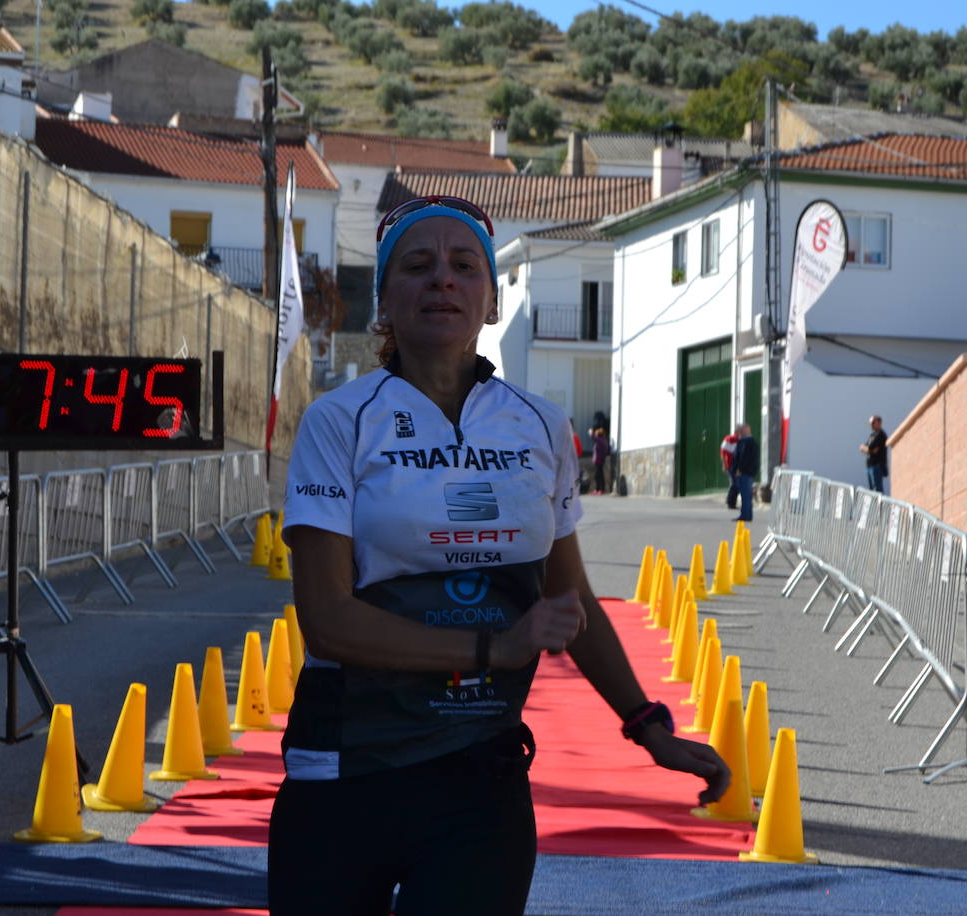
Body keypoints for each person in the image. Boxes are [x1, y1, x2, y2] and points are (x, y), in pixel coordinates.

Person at [271, 195, 728, 915]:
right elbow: (326, 621)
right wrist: (493, 647)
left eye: (464, 266)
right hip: (347, 769)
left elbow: (568, 602)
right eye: (417, 266)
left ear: (489, 298)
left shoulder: (542, 426)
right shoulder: (339, 420)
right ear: (386, 299)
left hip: (480, 777)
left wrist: (646, 725)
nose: (442, 280)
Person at [731, 424, 759, 522]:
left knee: (746, 494)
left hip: (745, 472)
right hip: (747, 471)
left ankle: (745, 515)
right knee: (745, 494)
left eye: (742, 431)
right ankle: (746, 514)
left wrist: (740, 469)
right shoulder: (746, 441)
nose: (740, 432)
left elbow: (744, 458)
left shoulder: (747, 442)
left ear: (746, 431)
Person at [860, 414, 888, 494]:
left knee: (877, 490)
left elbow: (869, 448)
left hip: (877, 466)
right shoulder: (872, 435)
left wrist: (867, 449)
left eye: (873, 423)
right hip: (870, 466)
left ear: (879, 423)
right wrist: (868, 450)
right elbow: (864, 448)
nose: (871, 425)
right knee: (872, 491)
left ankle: (880, 506)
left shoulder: (881, 435)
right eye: (870, 423)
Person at [719, 424, 741, 510]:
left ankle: (731, 502)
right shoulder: (729, 439)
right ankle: (730, 502)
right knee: (734, 483)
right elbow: (723, 453)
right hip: (730, 465)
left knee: (736, 483)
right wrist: (724, 464)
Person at [590, 426, 610, 495]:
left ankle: (600, 489)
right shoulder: (604, 440)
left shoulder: (600, 440)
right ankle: (599, 489)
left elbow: (592, 437)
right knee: (599, 475)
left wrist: (590, 432)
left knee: (598, 476)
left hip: (598, 460)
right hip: (600, 460)